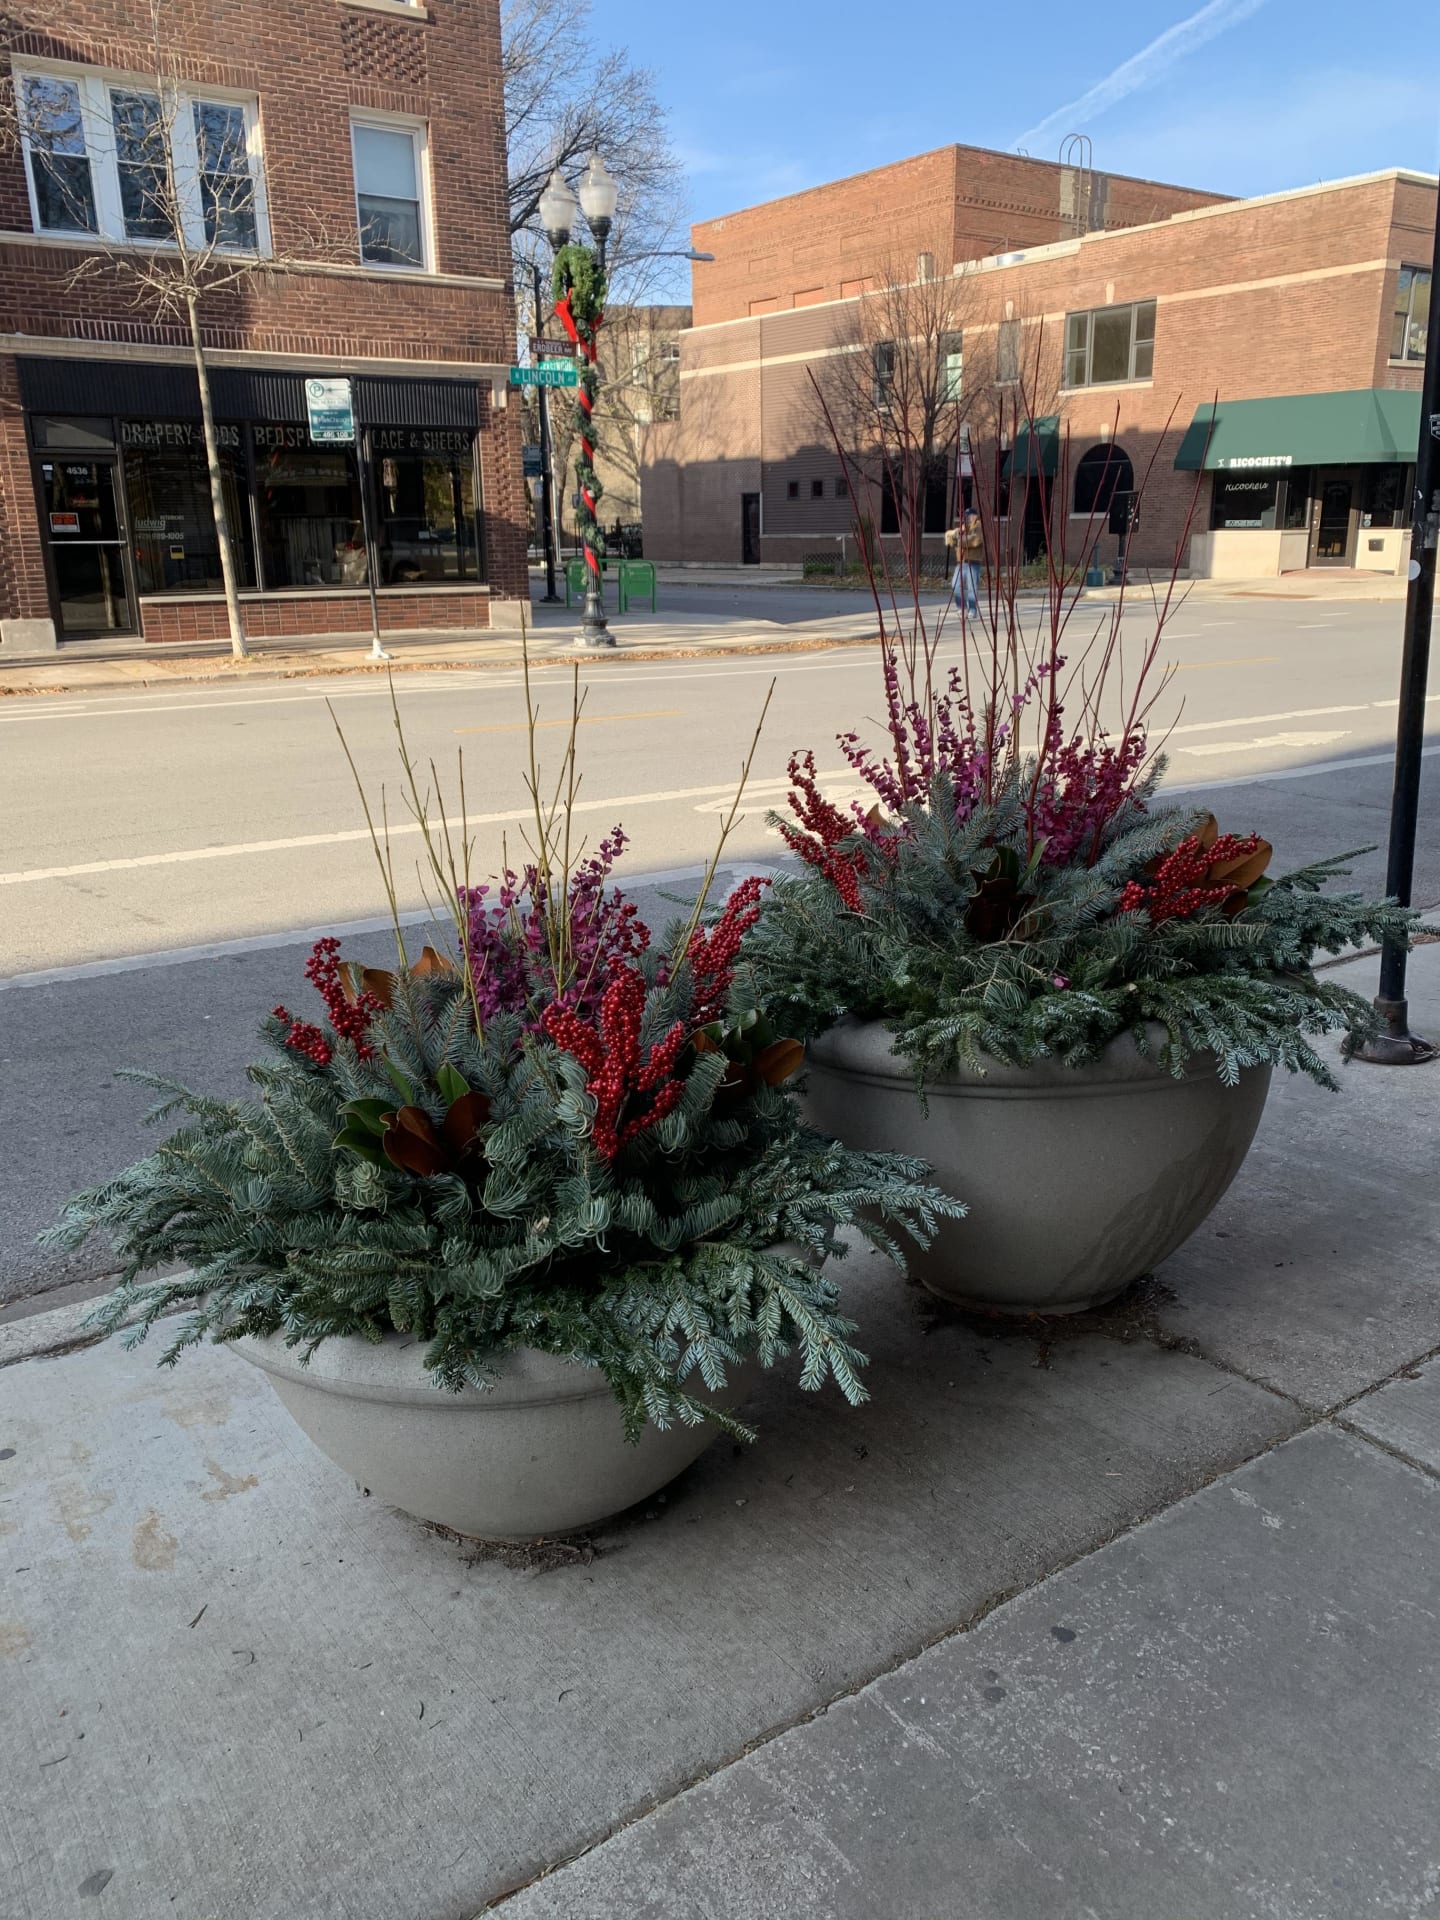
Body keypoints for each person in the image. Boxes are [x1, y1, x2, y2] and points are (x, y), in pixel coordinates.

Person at [946, 508, 983, 615]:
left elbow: (976, 541)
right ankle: (962, 607)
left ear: (975, 516)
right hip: (961, 563)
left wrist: (961, 540)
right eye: (966, 516)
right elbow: (955, 541)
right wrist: (951, 538)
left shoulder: (979, 527)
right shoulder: (962, 528)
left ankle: (972, 610)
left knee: (972, 588)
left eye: (970, 515)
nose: (967, 517)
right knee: (955, 585)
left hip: (973, 562)